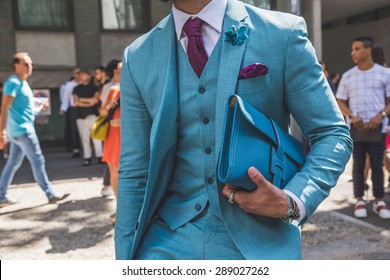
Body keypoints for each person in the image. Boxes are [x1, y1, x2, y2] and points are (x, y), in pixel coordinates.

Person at [115, 0, 352, 260]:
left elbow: (332, 134)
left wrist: (293, 201)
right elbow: (135, 171)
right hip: (165, 241)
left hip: (260, 241)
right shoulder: (137, 56)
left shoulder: (282, 33)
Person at [0, 52, 69, 207]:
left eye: (30, 64)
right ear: (16, 65)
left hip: (18, 131)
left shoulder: (23, 83)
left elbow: (24, 109)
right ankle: (50, 194)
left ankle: (1, 196)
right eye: (26, 63)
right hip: (23, 131)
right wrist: (2, 131)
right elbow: (4, 107)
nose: (29, 67)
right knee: (38, 161)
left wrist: (39, 107)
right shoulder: (13, 82)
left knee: (12, 163)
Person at [336, 36, 390, 219]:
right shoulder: (348, 75)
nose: (353, 53)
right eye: (353, 49)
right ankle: (359, 200)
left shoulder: (384, 73)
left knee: (377, 164)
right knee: (358, 165)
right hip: (357, 129)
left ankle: (378, 201)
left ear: (368, 50)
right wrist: (351, 115)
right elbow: (339, 101)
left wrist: (380, 115)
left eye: (357, 49)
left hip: (378, 128)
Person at [73, 70, 102, 166]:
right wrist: (89, 102)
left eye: (83, 75)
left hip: (92, 115)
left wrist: (82, 100)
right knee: (84, 138)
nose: (81, 77)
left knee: (96, 137)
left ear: (88, 76)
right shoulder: (76, 88)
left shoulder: (94, 87)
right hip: (80, 116)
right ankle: (87, 157)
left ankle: (100, 156)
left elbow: (95, 100)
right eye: (80, 75)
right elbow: (76, 102)